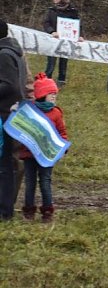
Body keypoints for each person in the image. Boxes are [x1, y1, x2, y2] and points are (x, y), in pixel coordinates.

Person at [19, 73, 67, 222]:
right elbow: (23, 130)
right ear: (41, 95)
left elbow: (62, 133)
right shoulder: (30, 112)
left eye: (55, 94)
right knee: (30, 183)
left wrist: (63, 147)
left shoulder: (56, 113)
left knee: (45, 182)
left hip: (47, 156)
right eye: (50, 94)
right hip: (29, 154)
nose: (53, 97)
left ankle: (47, 210)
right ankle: (29, 210)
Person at [0, 19, 26, 220]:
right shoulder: (14, 51)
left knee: (7, 165)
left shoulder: (4, 54)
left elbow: (10, 86)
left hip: (6, 114)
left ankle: (5, 210)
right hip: (13, 112)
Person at [42, 0, 82, 86]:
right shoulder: (51, 10)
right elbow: (46, 23)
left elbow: (77, 24)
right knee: (51, 61)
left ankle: (61, 81)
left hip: (66, 40)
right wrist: (52, 32)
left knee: (63, 60)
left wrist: (79, 35)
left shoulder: (72, 10)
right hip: (53, 40)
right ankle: (48, 81)